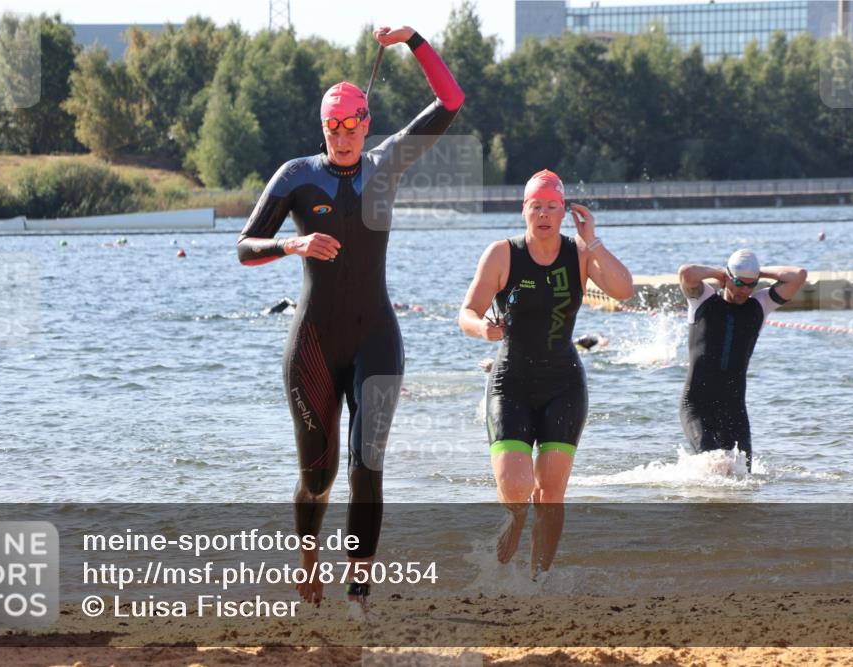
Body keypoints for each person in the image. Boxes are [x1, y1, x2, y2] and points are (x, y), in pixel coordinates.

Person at [237, 25, 464, 611]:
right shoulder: (295, 176)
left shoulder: (387, 163)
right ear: (324, 127)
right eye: (331, 126)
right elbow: (244, 247)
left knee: (369, 462)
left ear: (366, 122)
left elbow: (451, 102)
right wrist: (293, 246)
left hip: (377, 338)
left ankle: (359, 588)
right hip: (312, 343)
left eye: (351, 124)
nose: (341, 136)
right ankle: (307, 559)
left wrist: (414, 40)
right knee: (319, 473)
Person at [458, 170, 633, 574]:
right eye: (535, 206)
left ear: (563, 212)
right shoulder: (503, 253)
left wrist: (593, 240)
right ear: (524, 211)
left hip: (563, 384)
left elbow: (624, 290)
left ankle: (539, 579)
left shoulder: (580, 253)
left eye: (552, 207)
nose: (543, 214)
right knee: (517, 488)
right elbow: (466, 313)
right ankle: (515, 520)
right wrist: (483, 328)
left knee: (550, 494)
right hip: (510, 383)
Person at [678, 250, 807, 472]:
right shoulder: (703, 299)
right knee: (714, 465)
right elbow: (686, 273)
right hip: (697, 404)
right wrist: (719, 273)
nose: (745, 290)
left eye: (751, 284)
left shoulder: (760, 304)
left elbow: (798, 275)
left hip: (734, 406)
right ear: (727, 277)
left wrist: (756, 273)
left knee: (742, 474)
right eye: (739, 283)